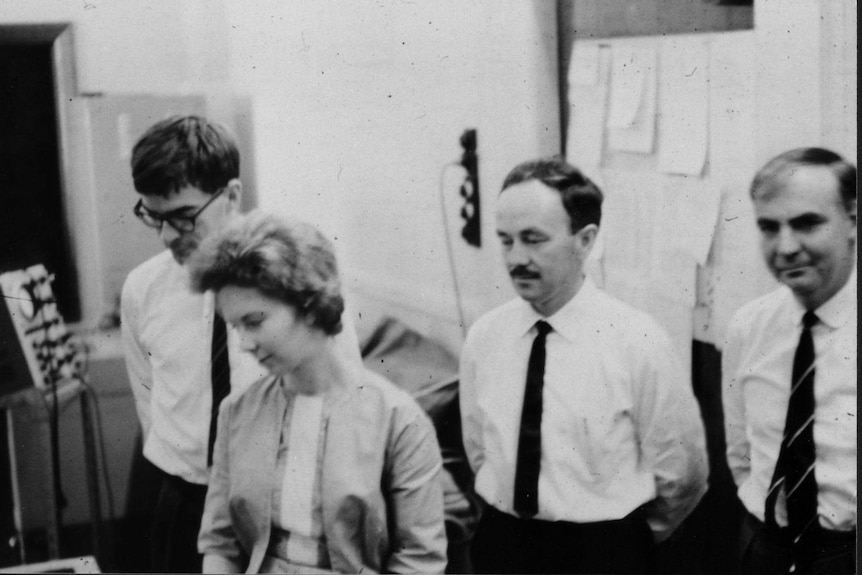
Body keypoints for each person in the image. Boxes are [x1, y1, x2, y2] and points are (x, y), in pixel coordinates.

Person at [120, 115, 361, 572]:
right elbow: (147, 399)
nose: (168, 235)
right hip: (182, 502)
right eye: (154, 216)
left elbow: (342, 397)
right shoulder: (142, 290)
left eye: (184, 217)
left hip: (275, 504)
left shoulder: (296, 278)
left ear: (231, 195)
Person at [459, 157, 709, 574]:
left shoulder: (636, 340)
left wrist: (624, 537)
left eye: (534, 239)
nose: (516, 257)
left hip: (600, 550)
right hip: (504, 544)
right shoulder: (486, 336)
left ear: (585, 240)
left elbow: (681, 473)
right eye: (506, 240)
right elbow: (478, 447)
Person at [187, 210, 448, 573]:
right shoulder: (238, 412)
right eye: (235, 326)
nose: (244, 343)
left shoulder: (398, 420)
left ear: (309, 304)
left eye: (255, 321)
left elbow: (419, 561)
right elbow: (219, 543)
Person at [722, 147, 856, 575]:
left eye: (807, 223)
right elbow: (741, 451)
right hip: (765, 547)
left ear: (853, 219)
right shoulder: (750, 326)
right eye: (769, 227)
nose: (786, 247)